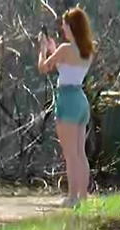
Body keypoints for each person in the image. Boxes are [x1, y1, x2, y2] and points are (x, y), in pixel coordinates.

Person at [36, 7, 95, 206]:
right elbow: (66, 67)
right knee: (80, 153)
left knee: (70, 154)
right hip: (80, 99)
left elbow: (44, 68)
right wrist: (54, 50)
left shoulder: (65, 49)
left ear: (71, 26)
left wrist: (43, 49)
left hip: (67, 100)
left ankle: (72, 197)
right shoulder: (87, 50)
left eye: (65, 24)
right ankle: (83, 197)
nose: (62, 27)